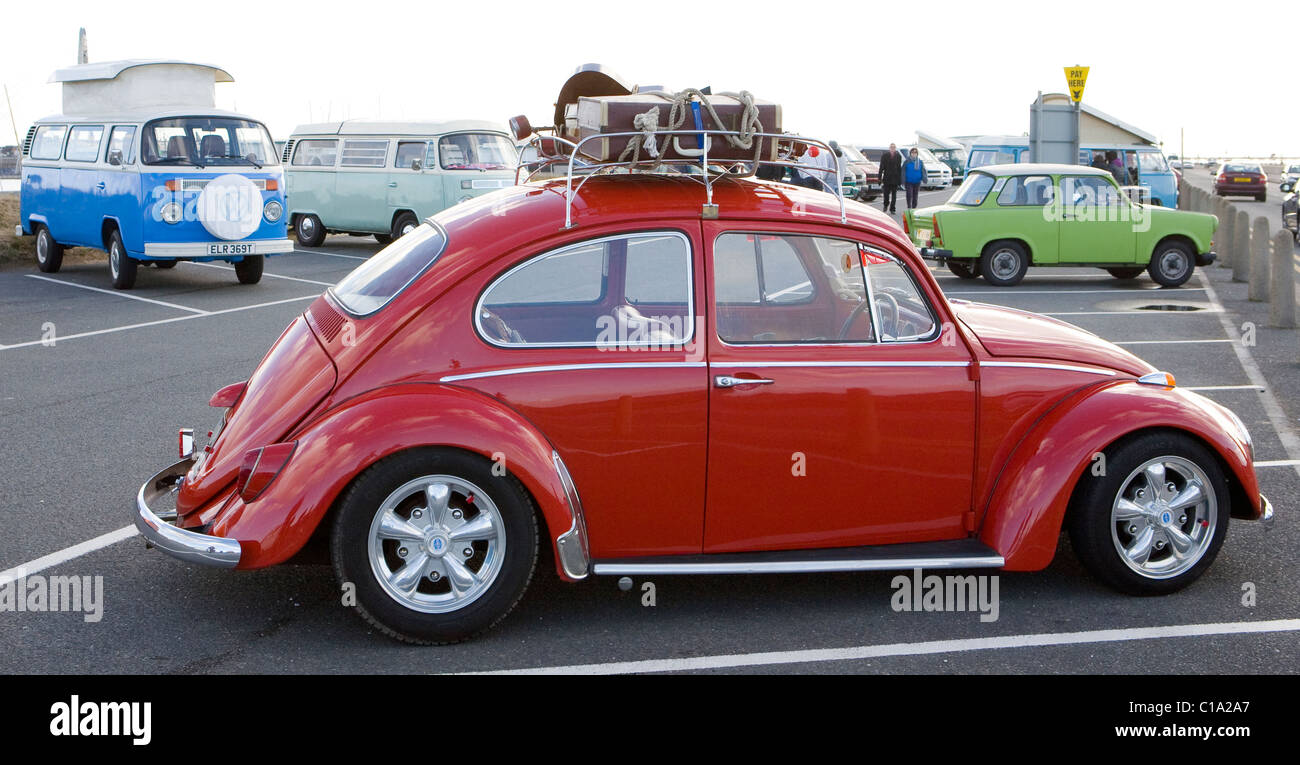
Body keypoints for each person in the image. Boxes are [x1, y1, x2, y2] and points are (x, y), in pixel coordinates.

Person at [878, 143, 903, 214]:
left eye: (894, 147)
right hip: (887, 178)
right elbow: (881, 167)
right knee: (886, 194)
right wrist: (879, 178)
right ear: (889, 148)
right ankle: (886, 205)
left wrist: (899, 180)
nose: (892, 148)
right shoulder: (885, 156)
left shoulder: (898, 156)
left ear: (895, 148)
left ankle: (892, 208)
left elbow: (899, 168)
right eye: (891, 147)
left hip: (895, 178)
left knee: (894, 195)